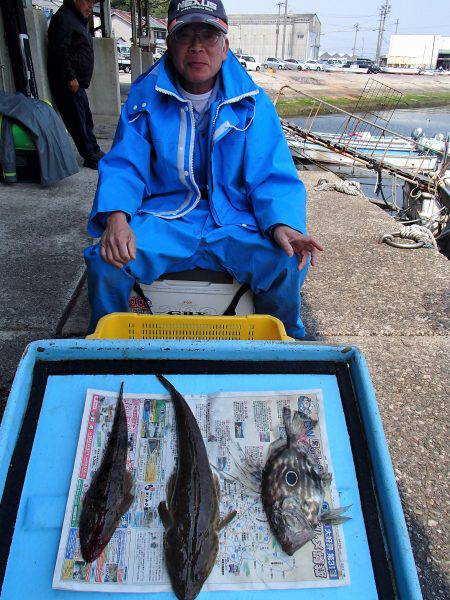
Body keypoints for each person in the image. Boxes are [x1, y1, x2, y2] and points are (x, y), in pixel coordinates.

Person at [85, 0, 323, 337]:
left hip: (236, 222)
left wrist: (283, 224)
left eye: (209, 36)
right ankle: (105, 350)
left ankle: (283, 349)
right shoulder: (144, 96)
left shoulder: (253, 102)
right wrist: (117, 219)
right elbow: (125, 165)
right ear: (170, 43)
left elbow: (271, 174)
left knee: (286, 262)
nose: (197, 47)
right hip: (167, 219)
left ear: (225, 47)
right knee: (105, 260)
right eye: (186, 35)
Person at [47, 0, 104, 169]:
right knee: (78, 121)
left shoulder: (76, 19)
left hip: (78, 84)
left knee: (86, 119)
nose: (90, 8)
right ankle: (90, 155)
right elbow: (60, 50)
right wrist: (70, 77)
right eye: (88, 2)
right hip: (68, 83)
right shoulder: (64, 18)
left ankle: (94, 150)